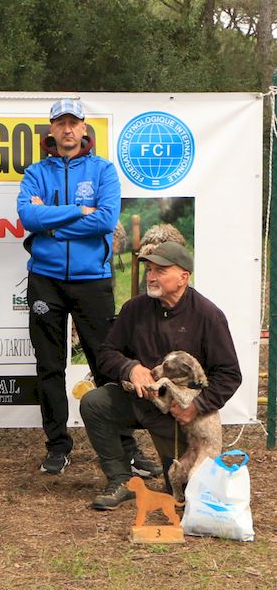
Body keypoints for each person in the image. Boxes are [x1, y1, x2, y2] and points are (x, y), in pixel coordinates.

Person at [16, 99, 157, 477]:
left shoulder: (103, 170)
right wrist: (79, 211)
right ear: (51, 129)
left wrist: (52, 225)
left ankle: (125, 448)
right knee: (49, 366)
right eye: (60, 123)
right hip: (45, 279)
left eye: (73, 122)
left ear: (83, 128)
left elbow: (106, 220)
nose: (67, 129)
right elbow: (28, 216)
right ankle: (57, 446)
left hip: (92, 280)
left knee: (106, 364)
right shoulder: (36, 173)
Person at [80, 242, 242, 509]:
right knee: (95, 403)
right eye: (149, 270)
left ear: (183, 277)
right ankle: (120, 479)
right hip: (139, 401)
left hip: (179, 416)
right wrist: (130, 368)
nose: (151, 276)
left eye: (161, 270)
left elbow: (229, 374)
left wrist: (196, 407)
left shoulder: (208, 316)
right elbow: (106, 353)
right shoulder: (134, 309)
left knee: (183, 490)